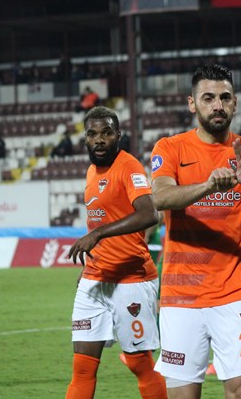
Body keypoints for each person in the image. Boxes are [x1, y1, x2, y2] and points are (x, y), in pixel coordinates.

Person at [149, 63, 241, 398]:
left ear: (235, 103)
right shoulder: (170, 148)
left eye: (224, 97)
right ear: (192, 103)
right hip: (181, 296)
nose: (217, 105)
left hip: (237, 291)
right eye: (208, 98)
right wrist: (207, 186)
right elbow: (160, 198)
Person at [65, 106, 167, 399]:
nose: (99, 139)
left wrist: (97, 234)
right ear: (85, 138)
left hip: (131, 279)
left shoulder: (129, 166)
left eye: (106, 133)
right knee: (82, 369)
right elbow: (100, 218)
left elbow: (149, 214)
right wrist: (89, 267)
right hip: (95, 280)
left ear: (118, 135)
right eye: (92, 134)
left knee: (140, 365)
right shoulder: (91, 171)